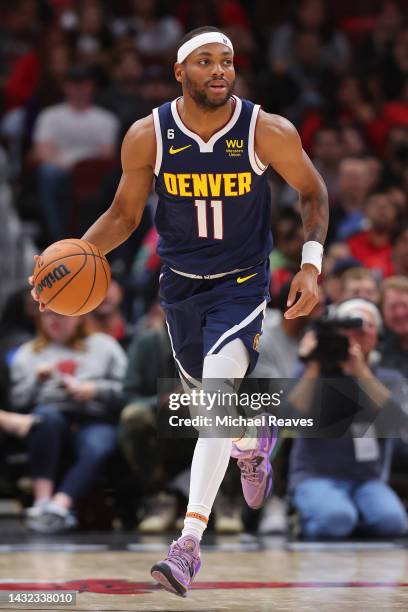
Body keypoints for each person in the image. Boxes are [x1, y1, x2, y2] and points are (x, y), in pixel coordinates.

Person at [30, 26, 329, 596]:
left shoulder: (267, 130)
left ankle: (188, 544)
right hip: (180, 289)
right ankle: (252, 439)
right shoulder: (150, 135)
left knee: (214, 400)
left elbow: (313, 192)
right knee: (215, 415)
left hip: (241, 287)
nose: (220, 71)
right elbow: (123, 214)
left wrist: (310, 264)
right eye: (206, 62)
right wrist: (67, 267)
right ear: (180, 72)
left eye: (228, 61)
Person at [288, 299, 407, 539]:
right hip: (316, 475)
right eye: (353, 326)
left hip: (366, 479)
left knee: (392, 522)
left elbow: (396, 423)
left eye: (368, 326)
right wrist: (313, 364)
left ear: (378, 335)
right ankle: (306, 520)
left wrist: (361, 372)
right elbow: (290, 417)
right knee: (337, 520)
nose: (361, 333)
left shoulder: (388, 377)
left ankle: (353, 517)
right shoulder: (314, 371)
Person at [9, 311, 127, 533]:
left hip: (95, 417)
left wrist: (95, 389)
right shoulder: (28, 353)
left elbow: (127, 389)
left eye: (61, 316)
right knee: (45, 418)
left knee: (98, 445)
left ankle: (59, 506)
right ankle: (42, 501)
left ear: (79, 316)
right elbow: (16, 401)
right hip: (50, 418)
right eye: (47, 316)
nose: (52, 321)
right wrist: (36, 380)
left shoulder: (104, 346)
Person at [33, 64, 119, 240]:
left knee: (114, 178)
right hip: (60, 169)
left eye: (83, 84)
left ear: (92, 87)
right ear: (66, 87)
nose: (79, 89)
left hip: (92, 173)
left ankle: (101, 242)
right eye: (74, 84)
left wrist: (81, 168)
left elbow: (107, 155)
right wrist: (67, 165)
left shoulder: (106, 120)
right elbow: (42, 151)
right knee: (48, 173)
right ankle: (57, 239)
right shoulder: (50, 116)